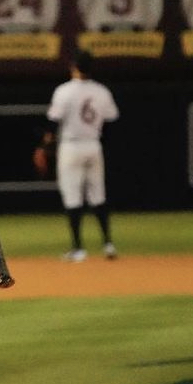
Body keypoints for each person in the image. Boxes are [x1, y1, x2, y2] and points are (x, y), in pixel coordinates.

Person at [45, 50, 119, 262]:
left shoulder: (64, 91)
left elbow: (53, 122)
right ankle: (108, 245)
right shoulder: (102, 91)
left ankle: (78, 249)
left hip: (71, 146)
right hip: (93, 145)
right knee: (98, 195)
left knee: (73, 196)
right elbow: (112, 120)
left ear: (73, 67)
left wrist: (45, 145)